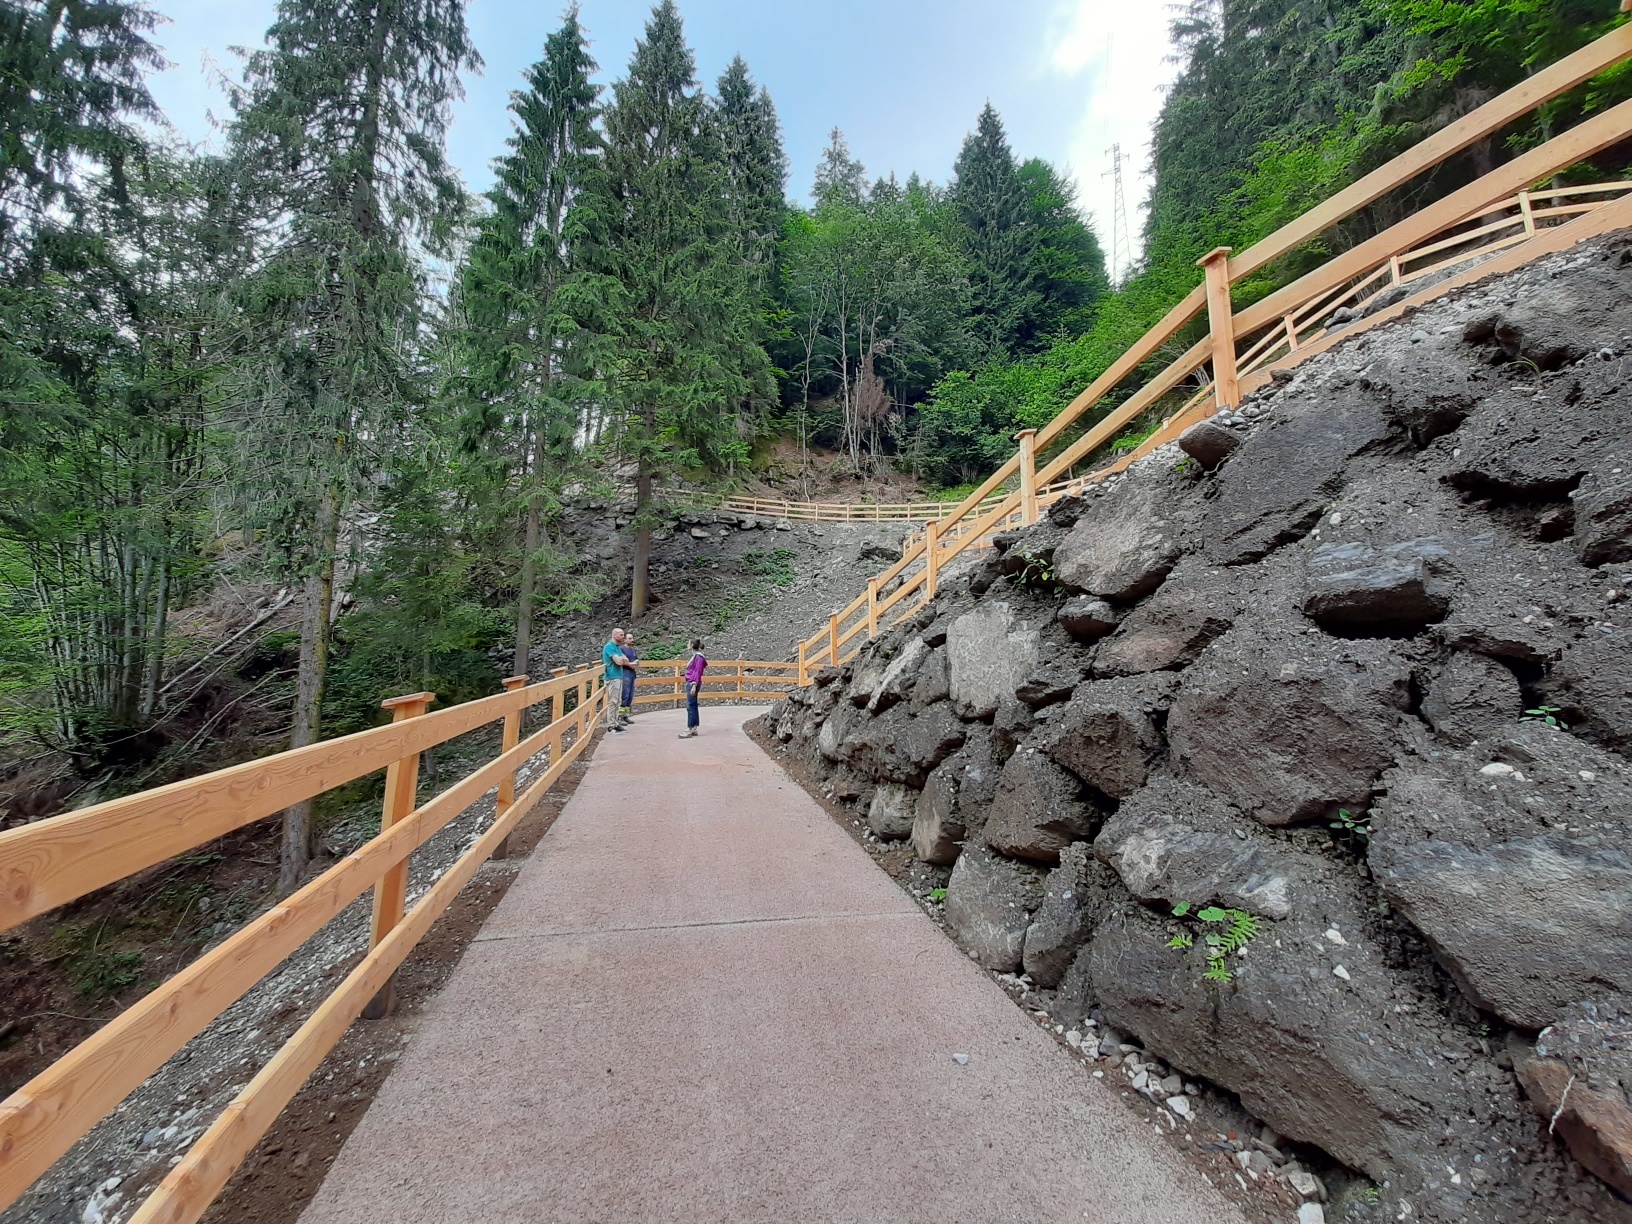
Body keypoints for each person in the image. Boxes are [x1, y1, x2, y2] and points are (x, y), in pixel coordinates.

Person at [601, 629, 631, 733]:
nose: (623, 637)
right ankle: (611, 725)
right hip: (612, 677)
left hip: (619, 676)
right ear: (615, 635)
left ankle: (616, 723)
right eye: (621, 635)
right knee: (613, 701)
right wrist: (621, 659)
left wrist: (622, 659)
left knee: (618, 701)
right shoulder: (609, 646)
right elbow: (619, 661)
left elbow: (626, 660)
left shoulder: (617, 647)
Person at [679, 638, 707, 739]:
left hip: (692, 683)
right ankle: (694, 727)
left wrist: (694, 685)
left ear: (691, 645)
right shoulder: (696, 656)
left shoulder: (698, 657)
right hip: (692, 682)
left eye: (688, 643)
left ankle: (689, 728)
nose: (687, 645)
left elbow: (697, 671)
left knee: (690, 705)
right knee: (693, 705)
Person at [619, 629, 640, 723]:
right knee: (625, 695)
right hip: (625, 672)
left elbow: (636, 659)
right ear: (625, 640)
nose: (632, 640)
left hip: (632, 673)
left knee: (630, 696)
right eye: (629, 638)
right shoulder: (621, 649)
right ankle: (620, 716)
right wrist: (630, 664)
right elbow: (621, 661)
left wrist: (636, 663)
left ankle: (625, 715)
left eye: (632, 638)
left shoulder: (633, 650)